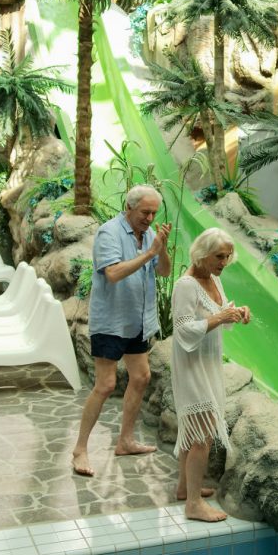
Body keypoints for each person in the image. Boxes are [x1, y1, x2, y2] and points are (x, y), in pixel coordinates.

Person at [71, 186, 172, 478]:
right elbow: (113, 273)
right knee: (105, 384)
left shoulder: (150, 235)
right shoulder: (109, 233)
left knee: (141, 377)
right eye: (145, 212)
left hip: (137, 321)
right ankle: (80, 448)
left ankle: (126, 441)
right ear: (129, 207)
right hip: (111, 322)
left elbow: (163, 271)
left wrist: (160, 249)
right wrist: (149, 253)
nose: (150, 218)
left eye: (154, 213)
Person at [170, 228, 250, 523]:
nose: (225, 261)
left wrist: (236, 311)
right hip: (191, 366)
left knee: (193, 432)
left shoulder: (214, 279)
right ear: (201, 253)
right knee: (202, 435)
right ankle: (193, 505)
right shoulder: (186, 285)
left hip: (207, 362)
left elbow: (219, 312)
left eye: (228, 255)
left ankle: (183, 488)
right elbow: (183, 330)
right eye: (219, 256)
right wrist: (220, 317)